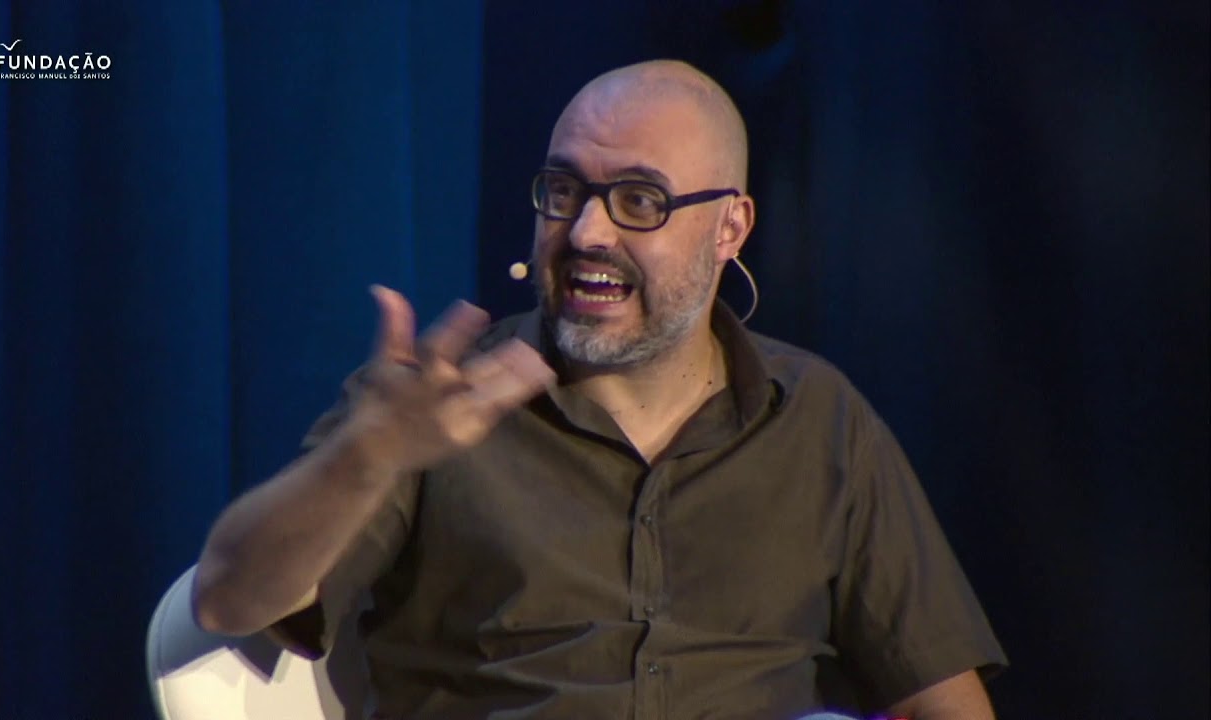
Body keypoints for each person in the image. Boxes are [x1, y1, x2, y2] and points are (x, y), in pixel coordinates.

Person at [192, 60, 1007, 719]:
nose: (586, 232)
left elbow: (942, 695)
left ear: (730, 228)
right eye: (564, 191)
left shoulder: (819, 416)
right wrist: (366, 457)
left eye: (639, 201)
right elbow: (227, 600)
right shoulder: (431, 406)